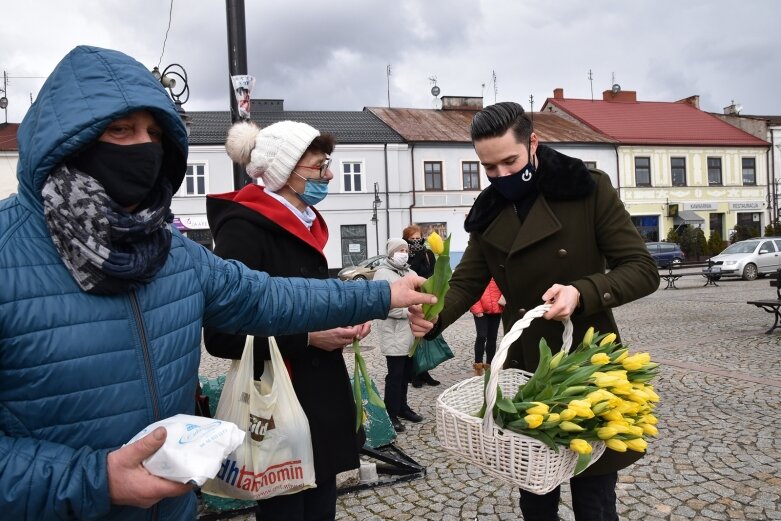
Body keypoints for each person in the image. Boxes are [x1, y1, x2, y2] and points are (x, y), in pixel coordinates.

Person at [0, 45, 434, 521]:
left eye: (155, 132)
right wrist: (94, 480)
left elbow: (267, 295)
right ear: (66, 140)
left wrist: (380, 294)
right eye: (120, 130)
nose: (144, 147)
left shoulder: (170, 251)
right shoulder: (9, 253)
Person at [409, 101, 659, 521]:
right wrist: (432, 317)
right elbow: (467, 281)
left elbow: (642, 269)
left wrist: (582, 292)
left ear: (534, 143)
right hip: (526, 367)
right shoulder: (488, 212)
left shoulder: (587, 188)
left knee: (594, 496)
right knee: (535, 492)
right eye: (490, 168)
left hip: (587, 361)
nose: (502, 176)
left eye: (510, 161)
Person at [203, 120, 370, 520]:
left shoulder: (305, 223)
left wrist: (349, 316)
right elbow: (222, 334)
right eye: (318, 167)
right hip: (278, 408)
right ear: (285, 172)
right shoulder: (244, 229)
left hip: (320, 405)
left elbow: (311, 303)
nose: (329, 175)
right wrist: (309, 337)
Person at [374, 238, 424, 433]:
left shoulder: (411, 273)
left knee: (406, 375)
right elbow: (383, 304)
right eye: (399, 249)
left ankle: (403, 407)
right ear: (391, 252)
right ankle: (391, 413)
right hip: (393, 333)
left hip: (411, 334)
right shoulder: (382, 274)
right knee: (394, 376)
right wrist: (411, 311)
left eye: (406, 249)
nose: (404, 252)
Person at [403, 224, 440, 387]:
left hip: (425, 296)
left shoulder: (428, 253)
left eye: (418, 238)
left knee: (425, 336)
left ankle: (424, 371)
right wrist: (415, 256)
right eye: (412, 239)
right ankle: (413, 374)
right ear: (406, 240)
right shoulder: (405, 254)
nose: (416, 242)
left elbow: (432, 273)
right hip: (411, 298)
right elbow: (410, 272)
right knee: (413, 338)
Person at [469, 278, 504, 376]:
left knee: (492, 338)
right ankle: (478, 366)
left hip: (496, 309)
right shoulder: (478, 270)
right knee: (481, 336)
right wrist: (476, 309)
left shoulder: (497, 270)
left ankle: (490, 365)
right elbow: (471, 290)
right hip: (481, 310)